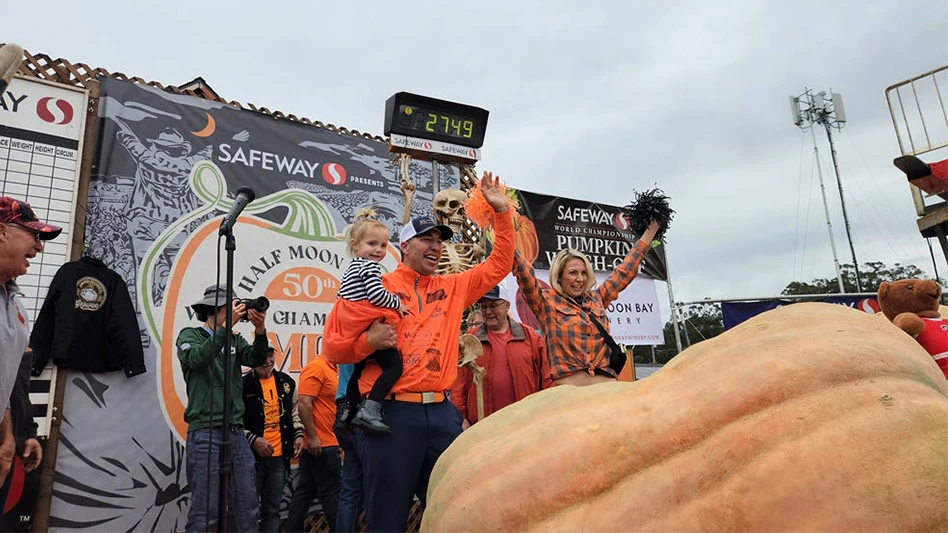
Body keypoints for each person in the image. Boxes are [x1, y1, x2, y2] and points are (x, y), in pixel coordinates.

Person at [323, 171, 514, 531]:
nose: (435, 246)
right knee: (387, 519)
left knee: (455, 513)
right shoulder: (375, 283)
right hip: (389, 417)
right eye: (425, 238)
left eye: (439, 241)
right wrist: (369, 343)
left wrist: (501, 214)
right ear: (404, 247)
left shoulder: (454, 287)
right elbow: (334, 349)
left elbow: (499, 265)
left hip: (441, 414)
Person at [511, 220, 659, 386]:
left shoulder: (598, 298)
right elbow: (523, 272)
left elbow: (626, 271)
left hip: (607, 391)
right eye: (573, 273)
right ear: (559, 276)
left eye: (583, 273)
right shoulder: (545, 301)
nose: (579, 279)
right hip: (568, 396)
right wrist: (503, 218)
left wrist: (651, 231)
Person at [176, 284, 268, 533]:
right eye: (230, 308)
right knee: (205, 512)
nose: (236, 312)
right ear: (211, 310)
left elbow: (257, 359)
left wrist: (260, 329)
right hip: (205, 430)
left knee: (247, 507)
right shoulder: (189, 335)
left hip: (236, 431)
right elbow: (197, 359)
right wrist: (226, 330)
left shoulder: (235, 339)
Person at [325, 209, 410, 435]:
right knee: (393, 367)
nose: (378, 250)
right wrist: (396, 303)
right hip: (365, 322)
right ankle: (370, 409)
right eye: (372, 244)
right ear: (355, 245)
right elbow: (375, 295)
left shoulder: (351, 268)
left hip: (352, 324)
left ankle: (349, 412)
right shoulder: (370, 267)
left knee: (358, 370)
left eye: (383, 246)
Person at [0, 197, 61, 488]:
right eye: (34, 235)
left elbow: (11, 381)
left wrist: (19, 434)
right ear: (2, 232)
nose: (39, 247)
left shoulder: (17, 307)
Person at [452, 284, 553, 427]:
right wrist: (461, 418)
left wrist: (547, 413)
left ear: (507, 306)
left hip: (525, 422)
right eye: (484, 307)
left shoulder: (530, 338)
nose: (488, 312)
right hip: (481, 425)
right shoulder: (470, 339)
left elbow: (547, 380)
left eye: (493, 306)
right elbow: (458, 384)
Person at [242, 343, 304, 533]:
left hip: (279, 459)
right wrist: (253, 440)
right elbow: (233, 421)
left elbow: (295, 411)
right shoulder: (242, 385)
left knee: (272, 511)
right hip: (249, 460)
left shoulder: (286, 382)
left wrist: (299, 433)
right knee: (246, 511)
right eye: (263, 356)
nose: (268, 361)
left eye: (271, 356)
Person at [286, 355, 341, 532]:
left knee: (305, 491)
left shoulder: (334, 369)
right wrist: (312, 436)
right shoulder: (316, 367)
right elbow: (303, 403)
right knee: (331, 493)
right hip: (322, 444)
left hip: (325, 442)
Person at [332, 363, 363, 533]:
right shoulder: (367, 342)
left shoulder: (345, 342)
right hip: (360, 405)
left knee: (350, 490)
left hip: (343, 408)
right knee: (378, 484)